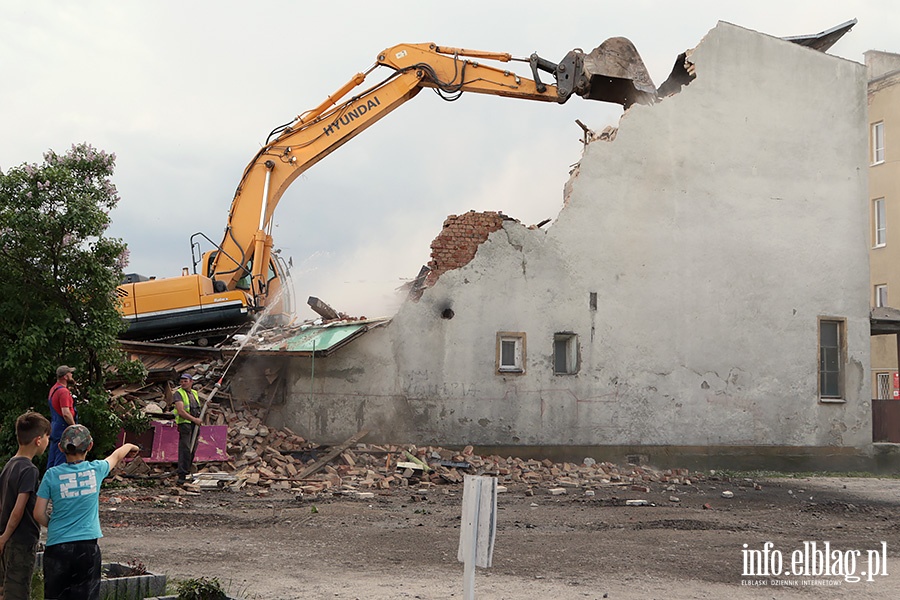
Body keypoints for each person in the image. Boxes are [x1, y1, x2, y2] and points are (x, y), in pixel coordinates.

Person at [33, 424, 138, 600]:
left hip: (57, 548)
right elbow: (116, 455)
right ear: (90, 446)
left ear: (60, 447)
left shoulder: (51, 475)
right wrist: (130, 447)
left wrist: (57, 525)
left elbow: (38, 513)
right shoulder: (96, 470)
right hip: (87, 547)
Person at [0, 412, 50, 600]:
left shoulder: (9, 465)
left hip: (5, 538)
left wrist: (3, 535)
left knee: (4, 590)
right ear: (38, 440)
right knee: (17, 592)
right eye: (47, 437)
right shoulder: (29, 470)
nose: (48, 442)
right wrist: (5, 537)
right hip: (20, 541)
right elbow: (18, 509)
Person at [173, 373, 203, 485]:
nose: (183, 383)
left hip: (194, 425)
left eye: (185, 381)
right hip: (185, 425)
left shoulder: (194, 393)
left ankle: (187, 471)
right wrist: (194, 420)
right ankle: (182, 475)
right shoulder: (178, 394)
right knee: (185, 449)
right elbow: (181, 411)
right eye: (181, 381)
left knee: (193, 449)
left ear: (191, 382)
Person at [47, 365, 77, 468]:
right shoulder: (64, 392)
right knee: (61, 462)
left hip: (54, 427)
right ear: (65, 376)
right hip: (63, 429)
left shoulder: (53, 389)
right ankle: (57, 483)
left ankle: (48, 482)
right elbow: (66, 413)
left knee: (52, 460)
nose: (72, 375)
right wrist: (74, 427)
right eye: (70, 373)